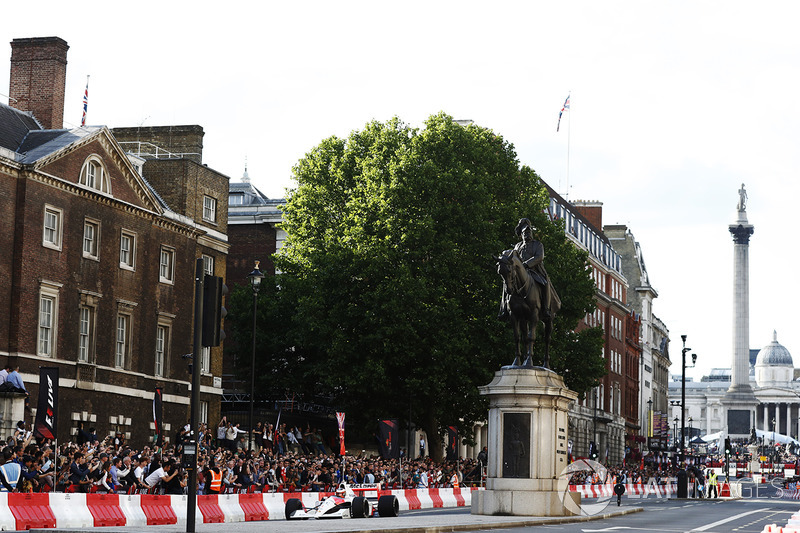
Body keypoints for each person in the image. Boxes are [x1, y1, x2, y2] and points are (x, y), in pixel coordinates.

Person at [499, 218, 553, 320]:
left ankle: (546, 308)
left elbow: (539, 257)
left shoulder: (538, 245)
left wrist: (526, 264)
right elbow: (513, 257)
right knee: (506, 283)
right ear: (521, 234)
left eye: (529, 232)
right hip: (519, 273)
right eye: (525, 233)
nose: (527, 234)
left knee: (545, 284)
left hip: (535, 271)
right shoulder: (517, 246)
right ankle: (504, 309)